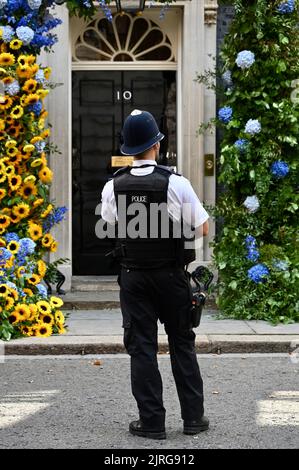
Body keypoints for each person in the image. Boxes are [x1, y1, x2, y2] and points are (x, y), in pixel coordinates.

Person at [101, 110, 210, 440]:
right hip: (171, 276)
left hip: (133, 277)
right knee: (181, 344)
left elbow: (109, 223)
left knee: (142, 348)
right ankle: (193, 419)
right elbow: (202, 227)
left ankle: (152, 423)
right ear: (157, 145)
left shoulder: (113, 186)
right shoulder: (176, 182)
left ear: (128, 149)